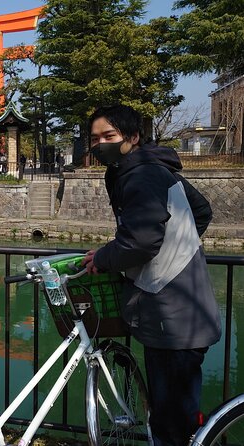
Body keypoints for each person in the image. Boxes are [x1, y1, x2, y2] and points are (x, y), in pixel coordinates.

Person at [82, 104, 221, 446]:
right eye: (96, 138)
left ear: (132, 137)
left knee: (171, 419)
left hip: (170, 312)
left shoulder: (141, 174)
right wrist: (179, 246)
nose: (101, 144)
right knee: (178, 410)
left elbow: (141, 240)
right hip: (181, 306)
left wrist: (105, 255)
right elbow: (201, 211)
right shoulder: (154, 168)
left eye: (109, 136)